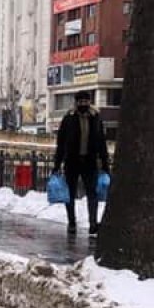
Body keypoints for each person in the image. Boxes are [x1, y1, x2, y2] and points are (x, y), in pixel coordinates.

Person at [53, 90, 110, 235]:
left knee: (92, 193)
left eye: (86, 101)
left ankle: (93, 223)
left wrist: (105, 163)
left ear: (89, 102)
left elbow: (101, 142)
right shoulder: (69, 118)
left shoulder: (96, 118)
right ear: (76, 102)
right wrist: (57, 163)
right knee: (70, 193)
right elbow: (61, 143)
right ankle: (71, 222)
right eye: (80, 102)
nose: (83, 104)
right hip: (72, 161)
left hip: (90, 162)